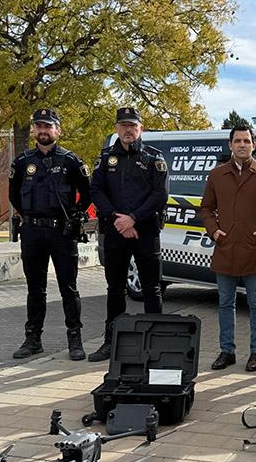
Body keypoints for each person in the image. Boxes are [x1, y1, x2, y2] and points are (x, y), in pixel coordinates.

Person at [9, 108, 91, 361]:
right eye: (39, 126)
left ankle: (75, 341)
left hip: (61, 232)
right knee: (35, 289)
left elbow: (87, 193)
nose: (43, 131)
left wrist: (74, 216)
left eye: (48, 126)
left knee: (69, 288)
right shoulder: (22, 162)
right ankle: (33, 339)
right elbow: (14, 195)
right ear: (34, 130)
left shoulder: (71, 161)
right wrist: (28, 217)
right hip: (32, 231)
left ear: (58, 130)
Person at [87, 107, 169, 362]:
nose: (128, 130)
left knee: (152, 288)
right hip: (114, 232)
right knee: (115, 289)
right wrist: (117, 219)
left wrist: (133, 218)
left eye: (133, 125)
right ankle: (111, 342)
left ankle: (155, 346)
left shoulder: (155, 158)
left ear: (140, 129)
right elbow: (96, 191)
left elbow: (160, 194)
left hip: (145, 231)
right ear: (116, 129)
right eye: (123, 125)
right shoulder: (105, 159)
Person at [200, 126, 256, 372]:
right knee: (225, 303)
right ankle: (227, 351)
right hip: (225, 248)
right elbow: (206, 208)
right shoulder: (217, 175)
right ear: (230, 145)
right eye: (238, 141)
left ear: (253, 145)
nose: (242, 144)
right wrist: (214, 231)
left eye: (247, 140)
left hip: (253, 248)